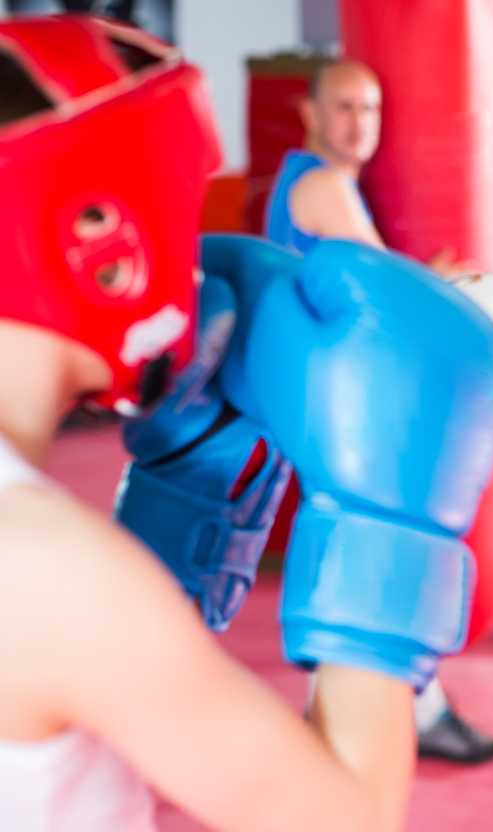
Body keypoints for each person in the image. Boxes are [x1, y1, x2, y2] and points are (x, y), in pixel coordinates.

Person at [0, 16, 405, 829]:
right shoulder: (47, 569)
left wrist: (162, 543)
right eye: (179, 215)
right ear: (96, 235)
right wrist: (386, 512)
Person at [261, 58, 493, 764]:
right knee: (389, 546)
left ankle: (404, 705)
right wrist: (450, 288)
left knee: (364, 549)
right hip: (342, 402)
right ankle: (412, 708)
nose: (357, 123)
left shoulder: (303, 181)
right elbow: (390, 295)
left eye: (368, 109)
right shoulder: (324, 183)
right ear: (309, 113)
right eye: (342, 106)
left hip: (326, 390)